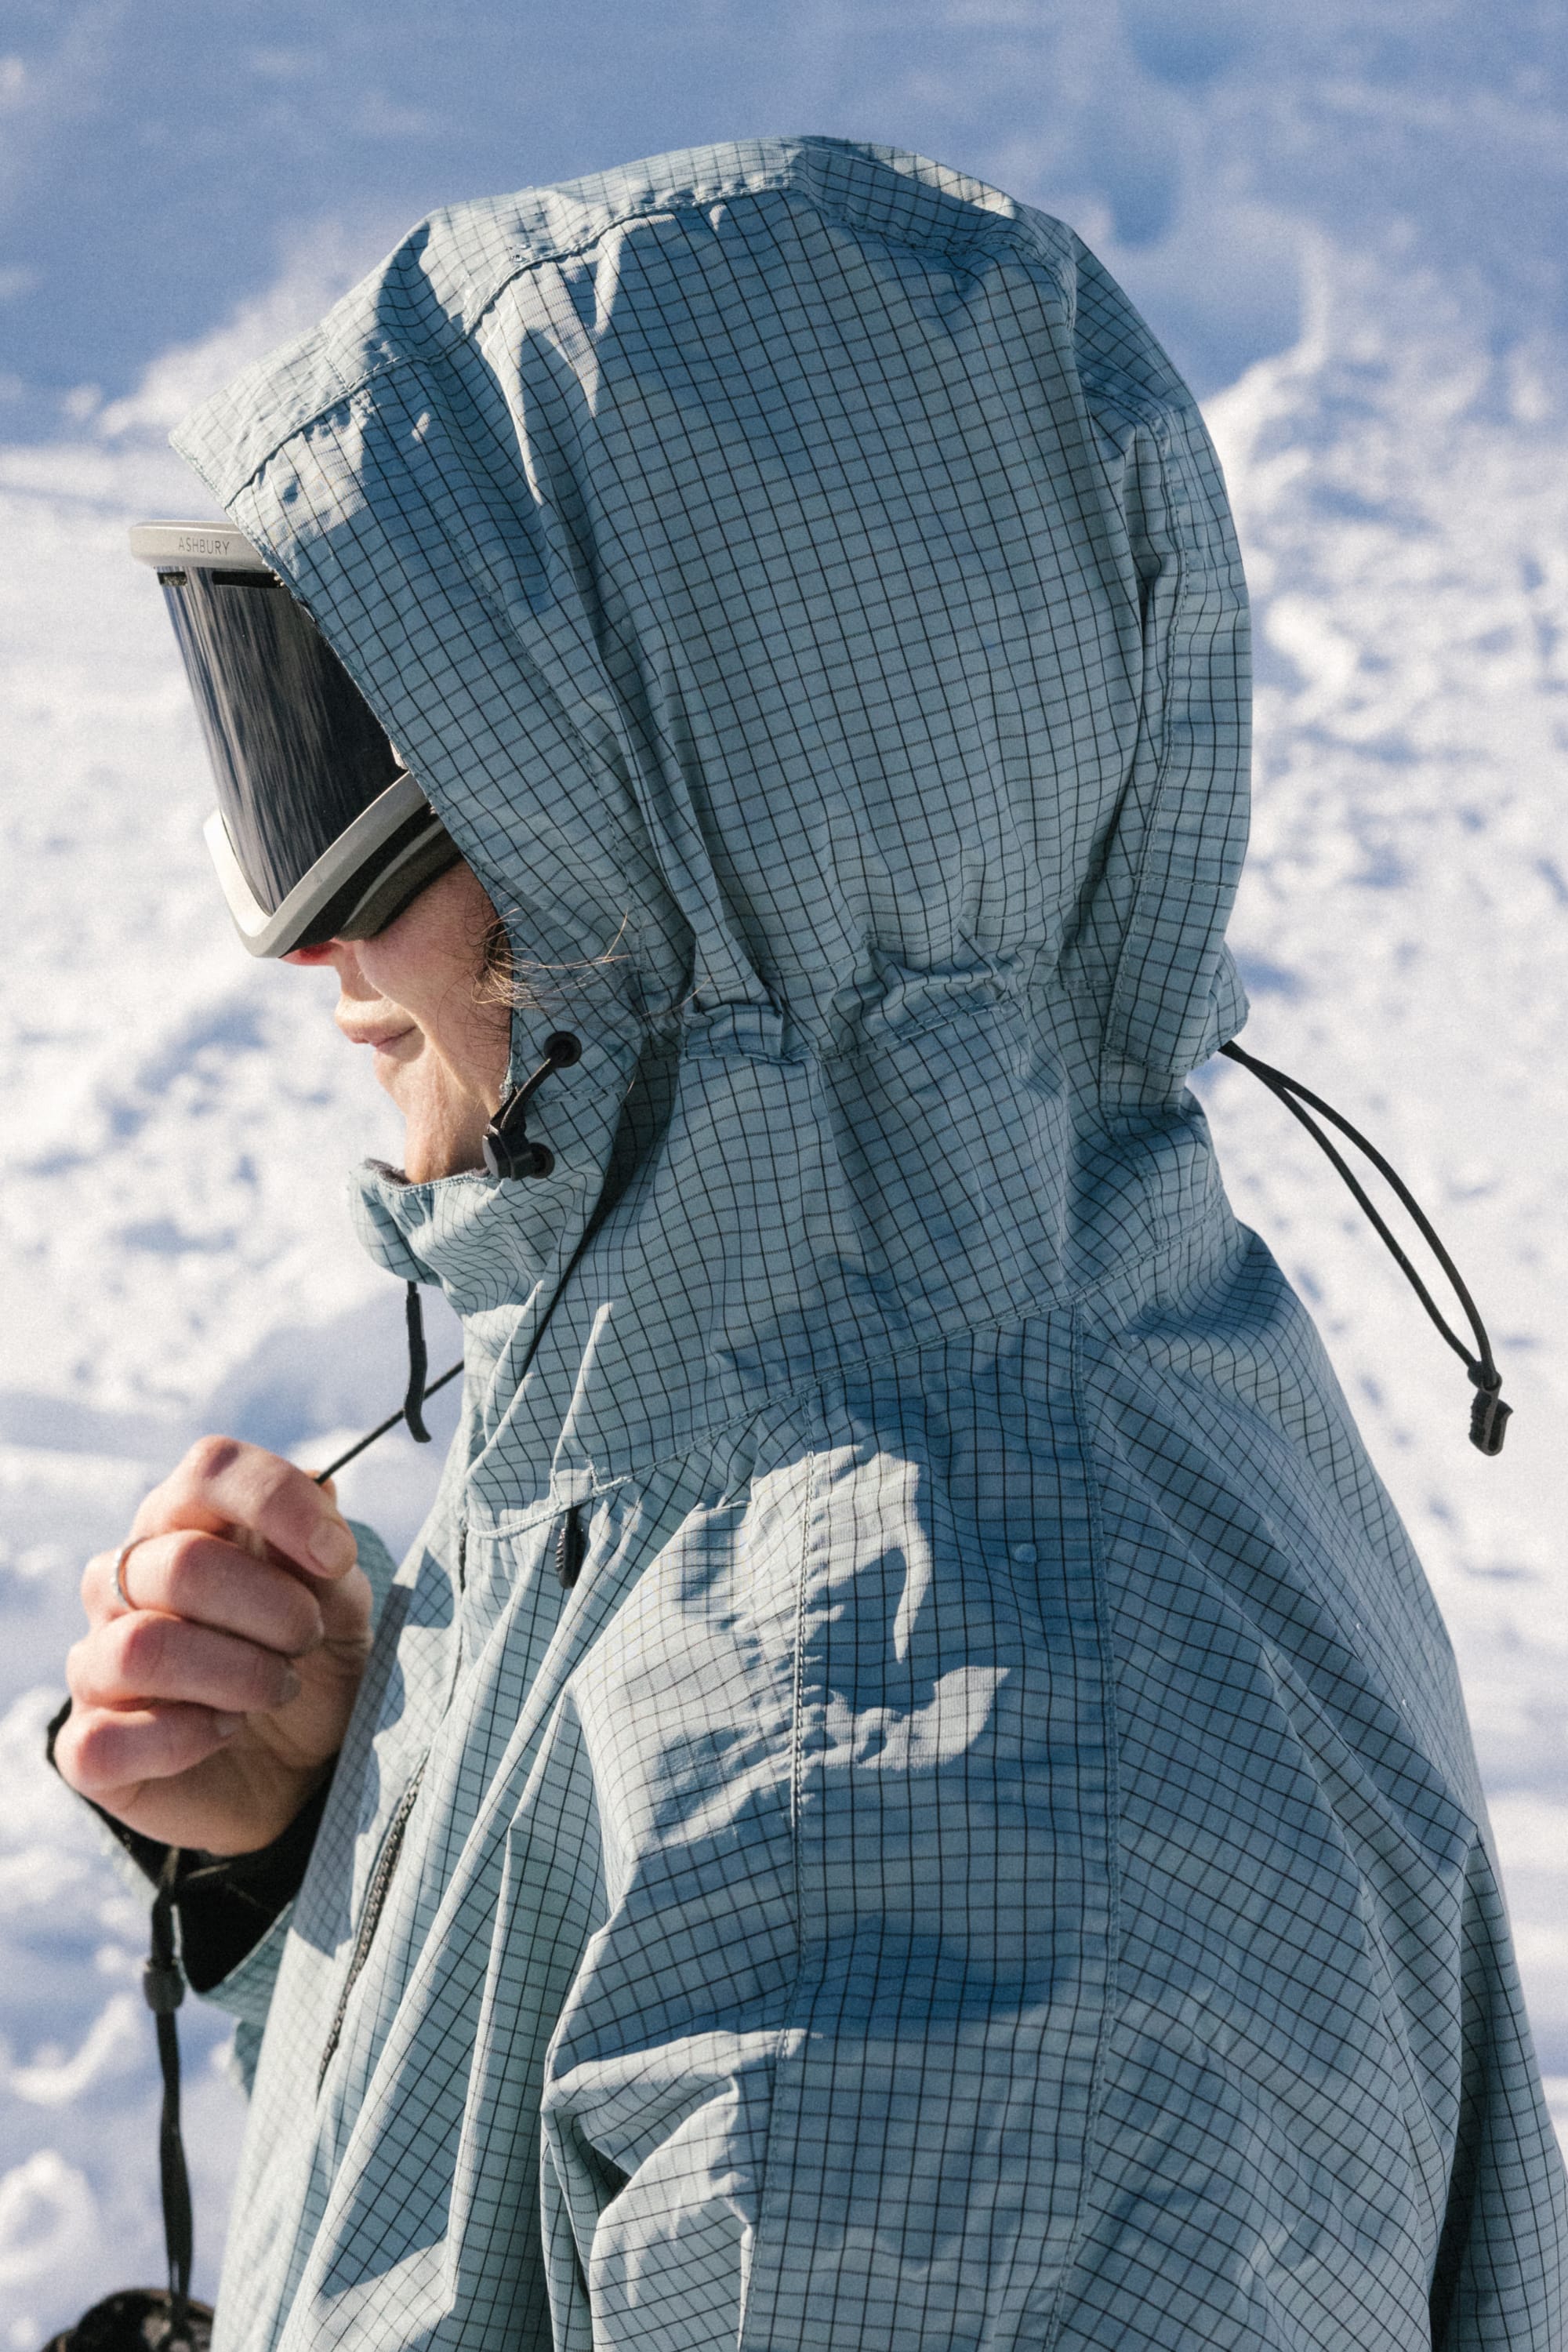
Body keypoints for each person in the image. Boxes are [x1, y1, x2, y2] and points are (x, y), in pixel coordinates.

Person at [54, 138, 1566, 2350]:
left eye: (370, 778)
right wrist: (327, 1856)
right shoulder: (819, 1410)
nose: (312, 947)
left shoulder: (928, 1824)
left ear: (699, 829)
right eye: (277, 742)